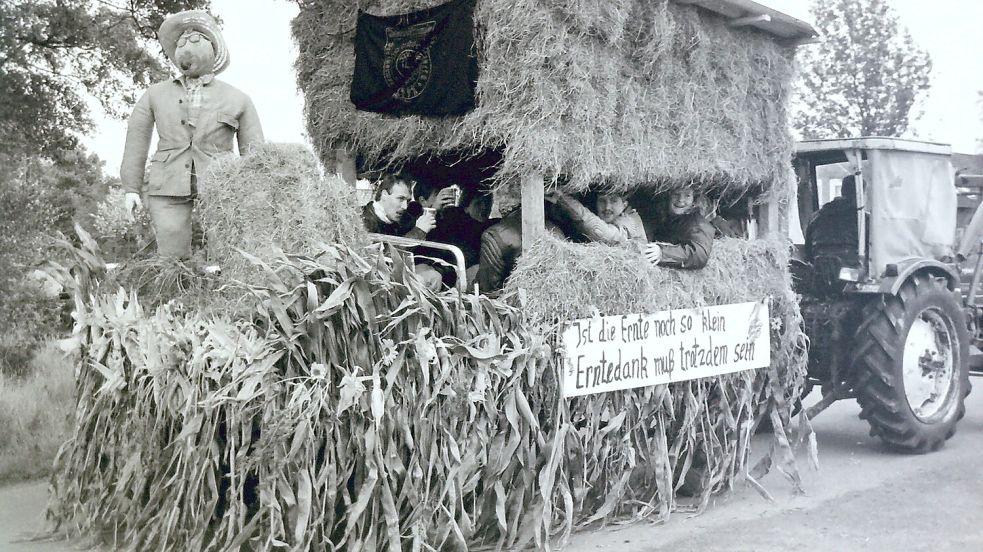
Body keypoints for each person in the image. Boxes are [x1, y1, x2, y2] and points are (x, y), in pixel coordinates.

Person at [121, 10, 264, 258]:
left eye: (196, 40)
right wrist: (131, 188)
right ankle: (176, 292)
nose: (187, 45)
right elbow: (136, 140)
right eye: (181, 43)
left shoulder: (238, 99)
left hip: (222, 184)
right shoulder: (154, 94)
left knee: (229, 248)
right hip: (167, 181)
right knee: (171, 249)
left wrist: (258, 191)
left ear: (212, 47)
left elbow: (256, 151)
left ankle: (228, 289)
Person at [642, 187, 715, 269]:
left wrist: (663, 253)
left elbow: (700, 255)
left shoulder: (698, 224)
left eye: (687, 196)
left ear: (694, 200)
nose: (681, 200)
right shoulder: (661, 215)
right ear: (668, 196)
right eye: (676, 194)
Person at [547, 190, 648, 246]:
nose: (607, 207)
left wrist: (562, 198)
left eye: (614, 201)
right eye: (602, 201)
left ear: (624, 205)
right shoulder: (599, 216)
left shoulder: (631, 219)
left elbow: (608, 236)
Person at [804, 175, 859, 265]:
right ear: (860, 195)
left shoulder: (816, 217)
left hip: (819, 271)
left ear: (842, 191)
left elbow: (808, 252)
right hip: (852, 273)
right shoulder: (862, 219)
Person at [360, 174, 435, 238]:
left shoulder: (398, 219)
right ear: (384, 195)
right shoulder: (363, 222)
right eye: (400, 199)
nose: (405, 206)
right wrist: (419, 231)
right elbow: (386, 253)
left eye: (408, 201)